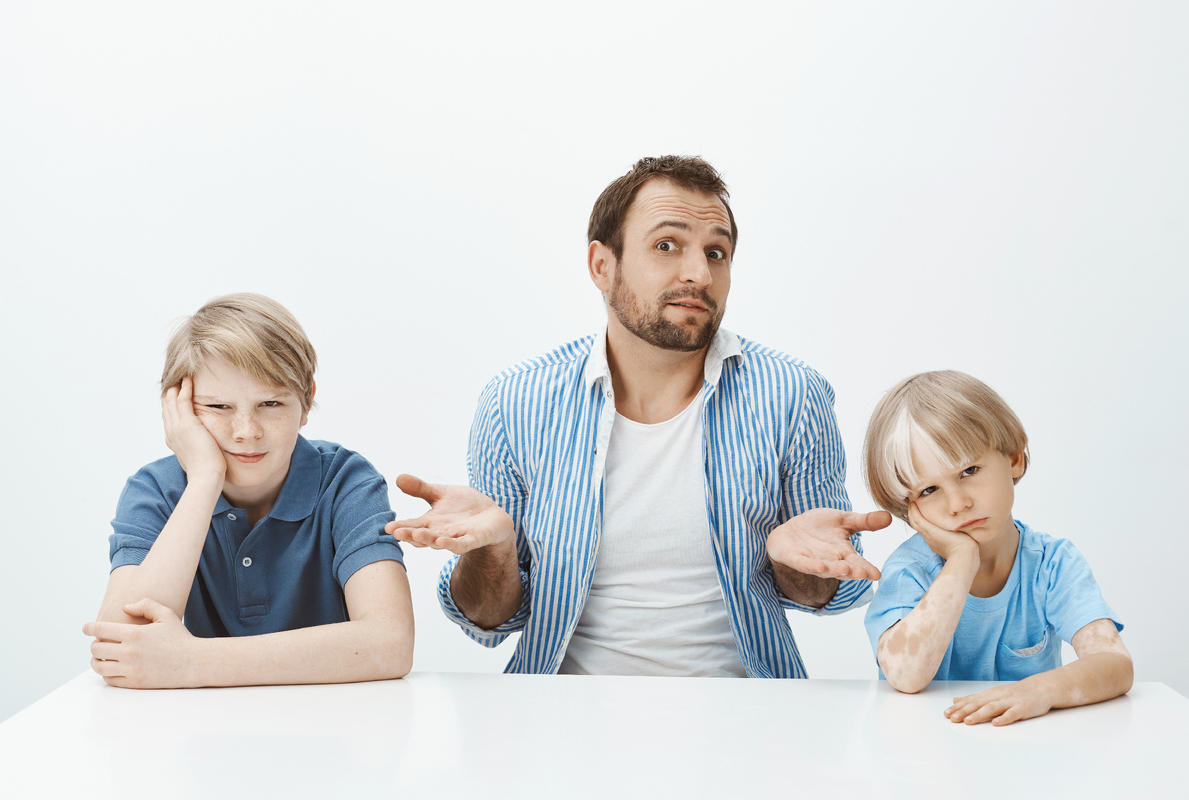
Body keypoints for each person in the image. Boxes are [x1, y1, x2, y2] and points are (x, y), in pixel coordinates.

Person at [389, 155, 890, 677]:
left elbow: (823, 589)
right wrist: (490, 553)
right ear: (601, 266)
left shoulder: (793, 395)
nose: (700, 274)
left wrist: (797, 566)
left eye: (716, 253)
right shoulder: (515, 403)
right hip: (559, 710)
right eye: (667, 245)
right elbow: (490, 616)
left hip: (745, 709)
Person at [83, 293, 413, 688]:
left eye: (270, 403)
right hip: (198, 723)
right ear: (177, 408)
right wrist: (204, 478)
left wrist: (191, 662)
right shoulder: (155, 491)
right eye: (218, 407)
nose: (246, 432)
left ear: (307, 401)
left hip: (329, 717)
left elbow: (390, 642)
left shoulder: (346, 481)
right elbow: (119, 649)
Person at [862, 370, 1132, 725]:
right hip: (928, 745)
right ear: (910, 508)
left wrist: (1039, 691)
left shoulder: (1052, 564)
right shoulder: (909, 571)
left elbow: (1115, 665)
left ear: (1014, 458)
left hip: (1023, 744)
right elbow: (905, 676)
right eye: (929, 490)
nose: (957, 504)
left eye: (969, 471)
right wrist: (961, 560)